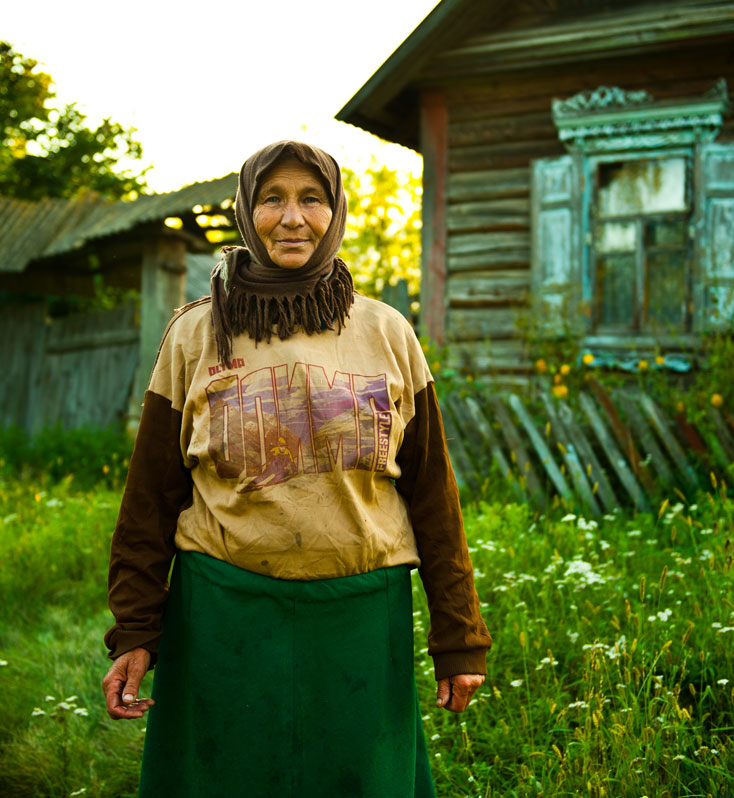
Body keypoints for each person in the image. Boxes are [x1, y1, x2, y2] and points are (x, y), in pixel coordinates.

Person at [101, 140, 491, 797]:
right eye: (271, 198)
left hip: (361, 618)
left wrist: (458, 636)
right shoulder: (196, 335)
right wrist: (136, 631)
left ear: (334, 211)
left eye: (311, 199)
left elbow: (433, 498)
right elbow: (150, 501)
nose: (292, 217)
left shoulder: (387, 331)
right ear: (245, 213)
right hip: (224, 614)